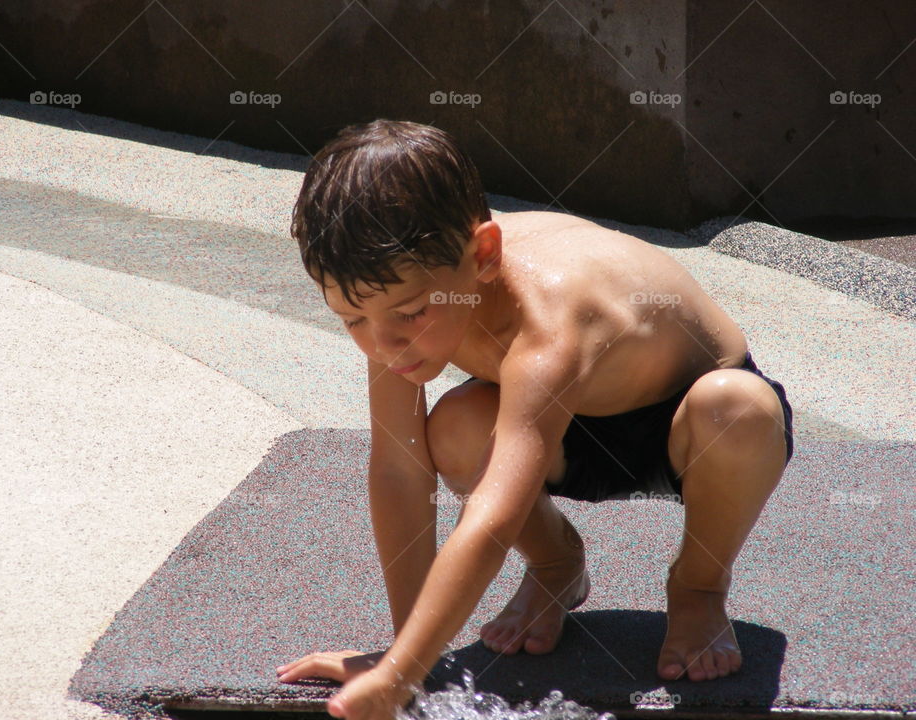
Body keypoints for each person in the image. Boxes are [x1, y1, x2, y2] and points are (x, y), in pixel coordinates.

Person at [275, 119, 795, 720]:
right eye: (351, 320)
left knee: (737, 409)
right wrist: (404, 659)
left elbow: (493, 514)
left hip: (684, 422)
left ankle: (699, 586)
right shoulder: (399, 297)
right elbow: (398, 469)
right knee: (454, 427)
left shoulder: (549, 314)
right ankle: (555, 566)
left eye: (411, 314)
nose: (383, 343)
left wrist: (399, 674)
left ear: (484, 256)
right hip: (564, 424)